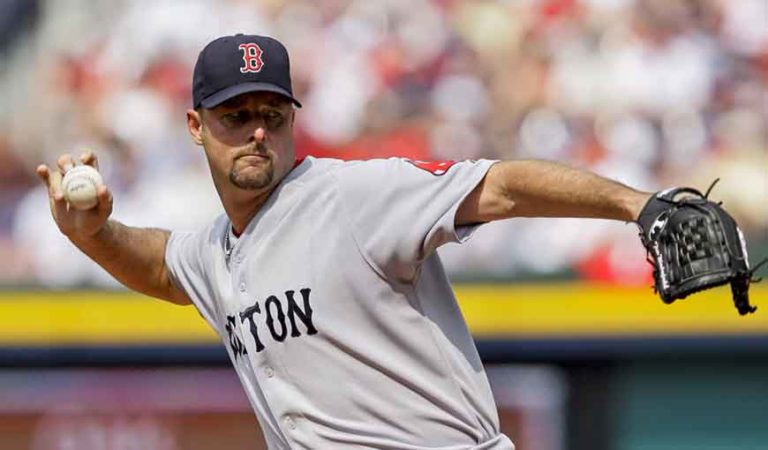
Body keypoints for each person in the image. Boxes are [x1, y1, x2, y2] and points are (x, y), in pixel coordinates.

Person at [37, 34, 651, 449]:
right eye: (235, 116)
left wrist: (638, 206)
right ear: (196, 127)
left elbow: (504, 186)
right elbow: (162, 268)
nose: (256, 132)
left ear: (293, 120)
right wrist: (93, 235)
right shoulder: (215, 251)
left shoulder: (354, 195)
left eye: (272, 115)